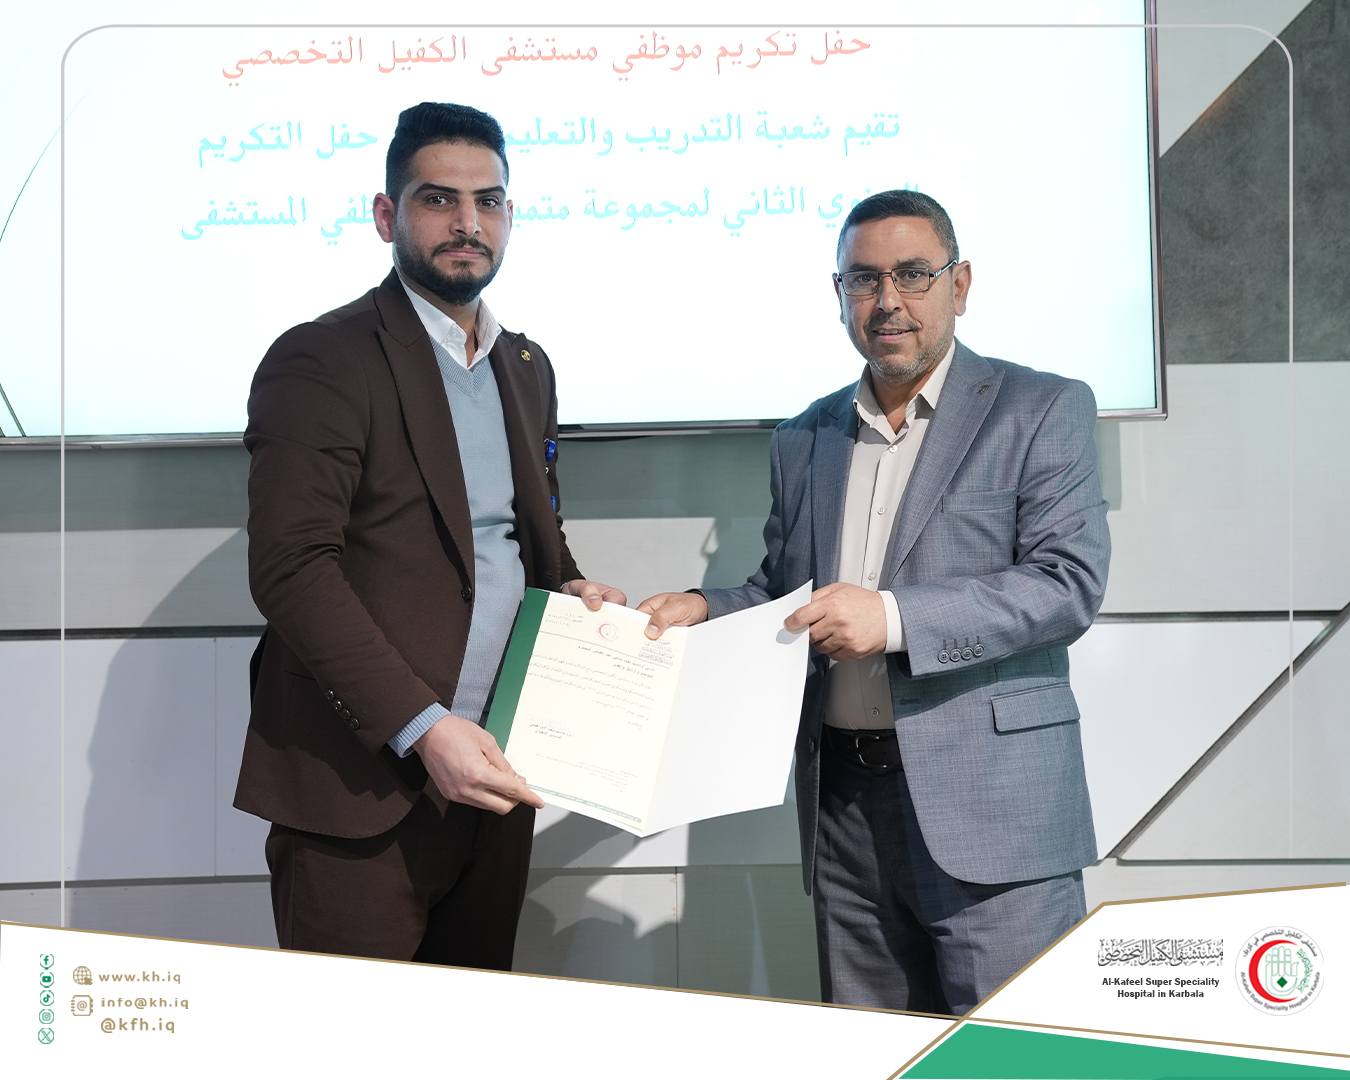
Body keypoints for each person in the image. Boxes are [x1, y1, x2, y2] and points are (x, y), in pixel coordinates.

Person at [639, 190, 1109, 1015]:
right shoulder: (804, 436)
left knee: (1017, 1052)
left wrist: (890, 619)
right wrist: (702, 607)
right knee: (873, 1052)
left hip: (993, 804)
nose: (887, 300)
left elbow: (1065, 583)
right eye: (864, 279)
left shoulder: (1041, 407)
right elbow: (786, 593)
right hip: (845, 809)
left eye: (912, 274)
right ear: (840, 294)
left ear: (959, 284)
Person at [234, 101, 624, 968]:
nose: (467, 223)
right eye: (438, 199)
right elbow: (291, 568)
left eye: (489, 202)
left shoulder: (526, 365)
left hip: (495, 775)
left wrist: (571, 590)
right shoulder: (323, 357)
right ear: (387, 215)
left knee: (469, 1030)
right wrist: (422, 726)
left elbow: (530, 542)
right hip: (360, 787)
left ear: (510, 215)